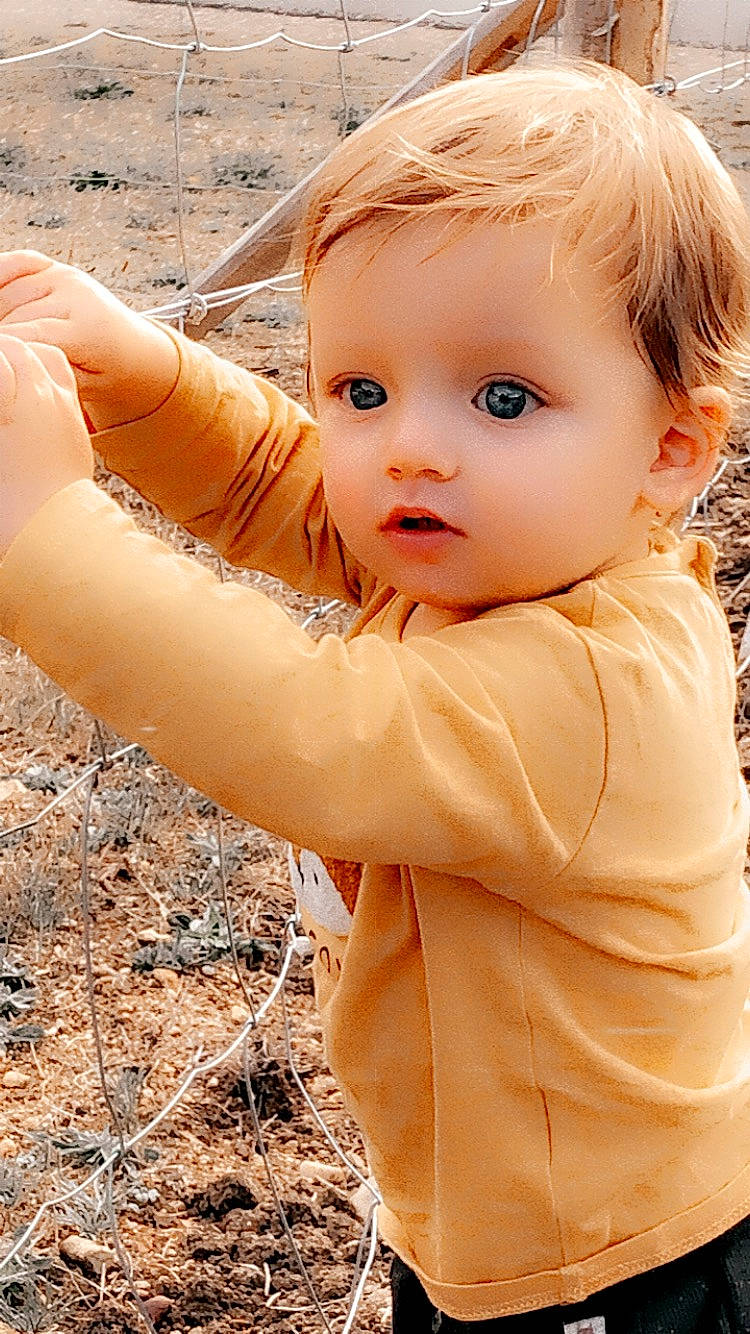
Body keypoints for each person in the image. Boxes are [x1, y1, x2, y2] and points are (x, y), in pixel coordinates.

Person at [0, 59, 749, 1333]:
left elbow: (311, 730)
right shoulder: (504, 545)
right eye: (361, 388)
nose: (409, 446)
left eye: (503, 397)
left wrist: (41, 533)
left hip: (618, 1268)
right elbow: (282, 479)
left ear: (672, 448)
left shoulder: (598, 679)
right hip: (492, 1223)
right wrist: (141, 373)